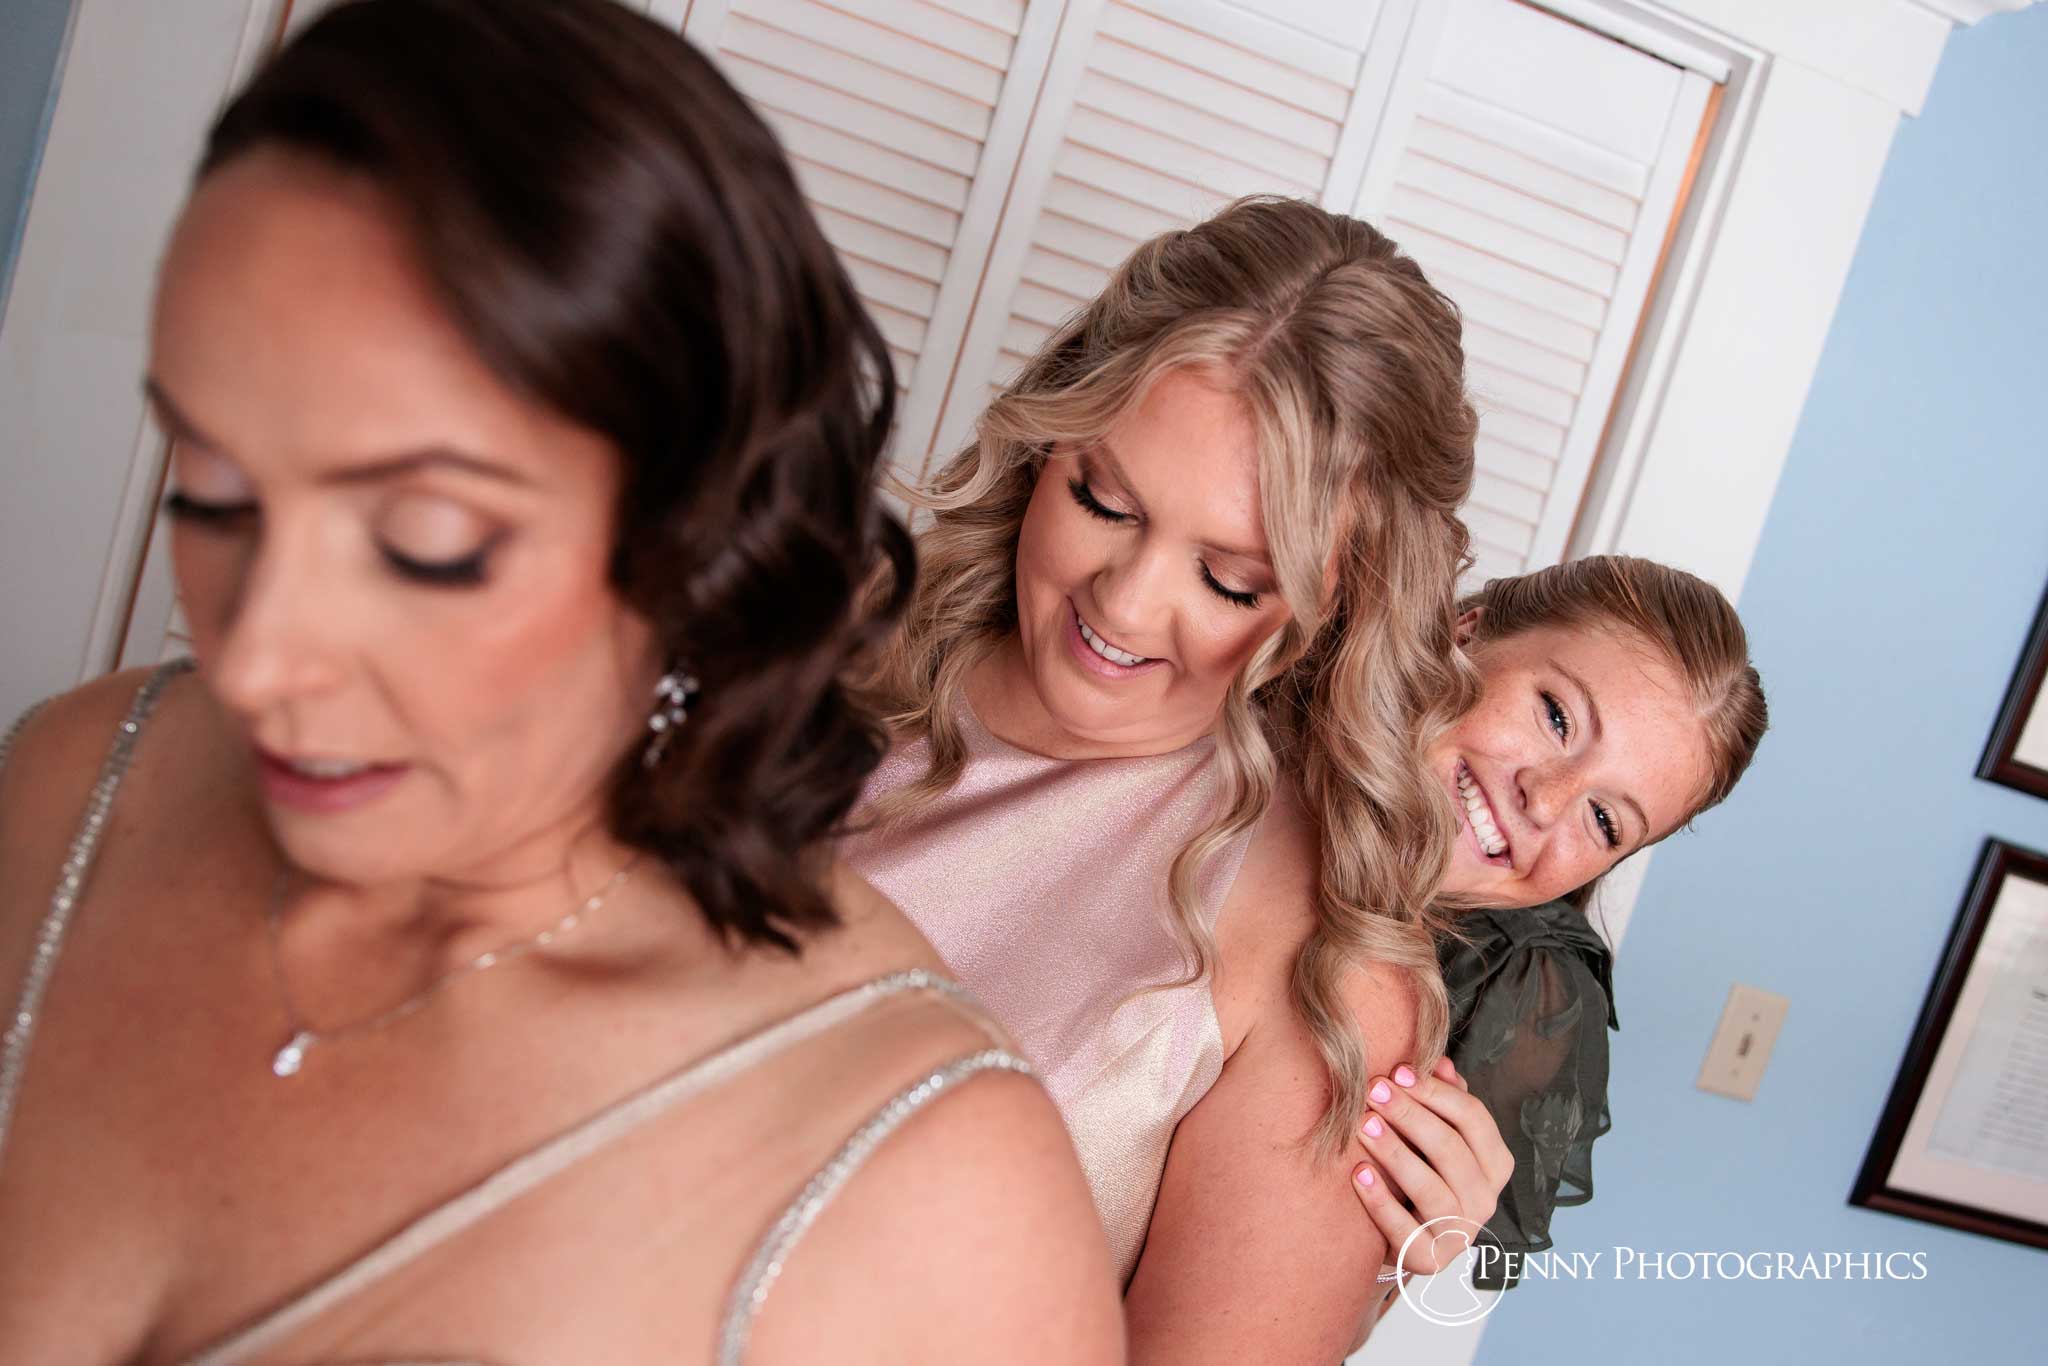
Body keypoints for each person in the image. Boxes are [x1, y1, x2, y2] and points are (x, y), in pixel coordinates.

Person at [0, 3, 1122, 1362]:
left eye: (425, 542)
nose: (258, 660)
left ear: (691, 534)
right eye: (218, 493)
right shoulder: (72, 786)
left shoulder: (933, 1201)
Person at [846, 194, 1517, 1359]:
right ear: (1046, 438)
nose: (1121, 602)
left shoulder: (1324, 974)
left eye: (1228, 580)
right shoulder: (806, 645)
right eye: (1101, 500)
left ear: (1340, 602)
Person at [1421, 554, 1768, 1295]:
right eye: (1556, 718)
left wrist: (1391, 1253)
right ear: (1466, 631)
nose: (1545, 800)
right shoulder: (1217, 700)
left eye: (1605, 820)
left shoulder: (1517, 990)